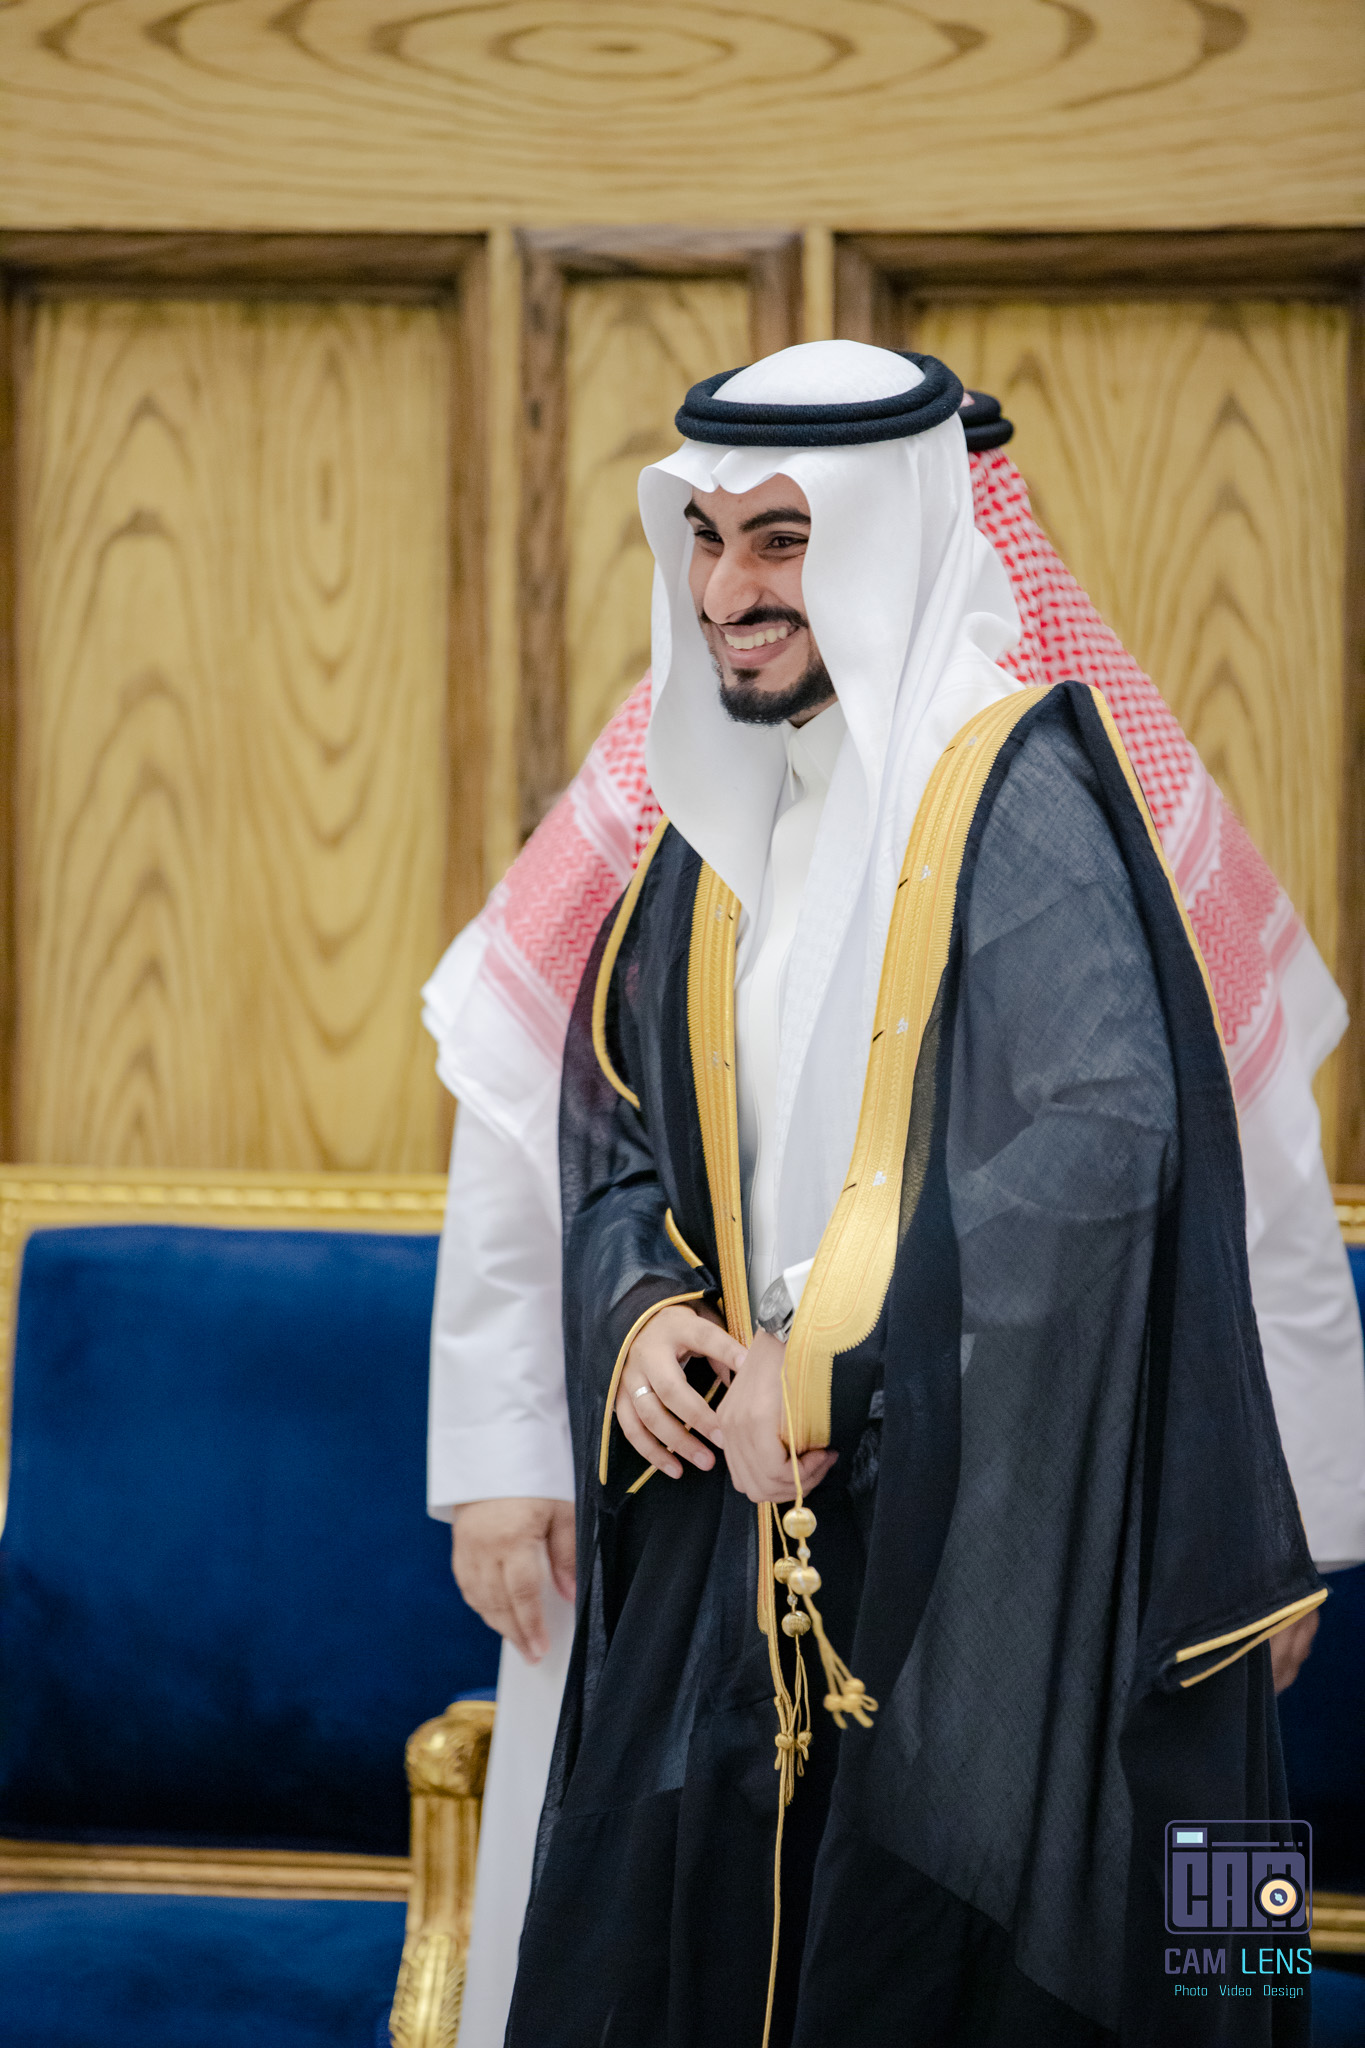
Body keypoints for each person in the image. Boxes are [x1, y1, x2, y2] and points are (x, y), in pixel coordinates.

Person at [425, 356, 1364, 2046]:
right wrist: (637, 1314)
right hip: (777, 1521)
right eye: (705, 537)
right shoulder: (723, 817)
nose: (726, 591)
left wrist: (1291, 1532)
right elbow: (605, 1109)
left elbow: (1137, 1155)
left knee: (1169, 1931)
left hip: (1056, 1516)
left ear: (900, 534)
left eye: (784, 539)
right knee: (787, 1943)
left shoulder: (1035, 788)